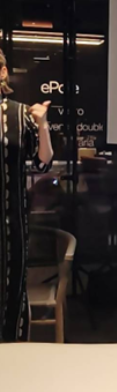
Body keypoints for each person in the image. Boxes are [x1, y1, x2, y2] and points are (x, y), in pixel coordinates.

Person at [0, 49, 53, 342]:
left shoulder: (20, 114)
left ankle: (12, 352)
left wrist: (42, 124)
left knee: (11, 290)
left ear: (3, 73)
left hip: (10, 224)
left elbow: (43, 162)